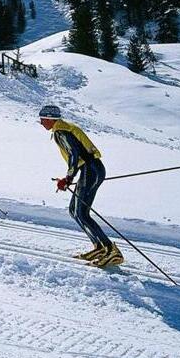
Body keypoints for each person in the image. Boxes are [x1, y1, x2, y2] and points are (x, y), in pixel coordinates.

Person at [38, 105, 122, 267]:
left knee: (80, 213)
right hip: (95, 169)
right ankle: (99, 247)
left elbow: (74, 155)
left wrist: (68, 178)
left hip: (89, 170)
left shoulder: (60, 132)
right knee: (75, 211)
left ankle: (111, 250)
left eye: (42, 120)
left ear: (49, 118)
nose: (42, 124)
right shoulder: (65, 128)